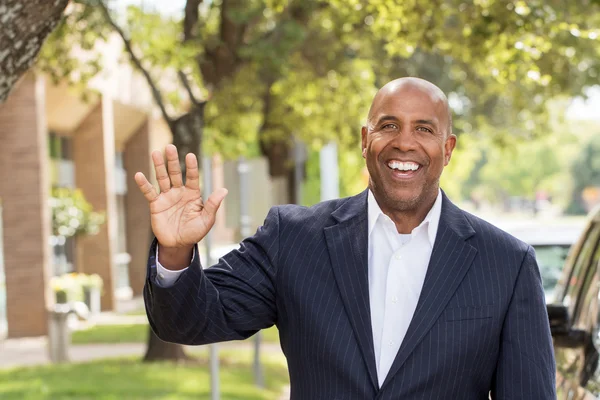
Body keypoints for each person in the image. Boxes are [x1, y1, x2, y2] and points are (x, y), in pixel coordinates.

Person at [135, 77, 556, 399]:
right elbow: (189, 321)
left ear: (447, 149)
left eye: (424, 129)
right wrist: (175, 251)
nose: (404, 142)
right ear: (364, 140)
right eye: (388, 125)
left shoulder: (507, 263)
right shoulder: (293, 239)